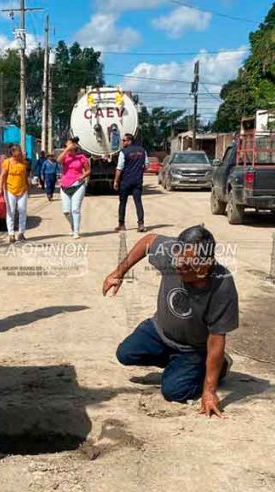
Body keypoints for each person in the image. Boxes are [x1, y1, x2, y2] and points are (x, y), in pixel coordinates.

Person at [102, 226, 238, 417]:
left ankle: (218, 366)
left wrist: (209, 391)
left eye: (186, 265)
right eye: (177, 262)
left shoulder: (222, 285)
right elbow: (148, 241)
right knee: (125, 354)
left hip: (192, 348)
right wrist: (119, 272)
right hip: (160, 331)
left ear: (206, 263)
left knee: (175, 391)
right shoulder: (174, 252)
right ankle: (180, 365)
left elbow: (216, 339)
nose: (178, 267)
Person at [113, 133, 148, 233]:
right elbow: (146, 165)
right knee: (138, 202)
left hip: (125, 181)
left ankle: (121, 225)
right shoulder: (142, 150)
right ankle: (141, 224)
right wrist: (138, 172)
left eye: (124, 140)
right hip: (137, 181)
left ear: (129, 141)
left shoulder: (123, 152)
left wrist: (116, 181)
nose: (122, 142)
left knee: (123, 203)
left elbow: (119, 168)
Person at [57, 137, 91, 238]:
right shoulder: (65, 157)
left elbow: (88, 170)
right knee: (66, 211)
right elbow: (58, 160)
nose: (70, 147)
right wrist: (67, 150)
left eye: (71, 145)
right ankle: (72, 226)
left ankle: (76, 231)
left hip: (78, 185)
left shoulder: (81, 157)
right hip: (64, 185)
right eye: (67, 145)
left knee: (75, 209)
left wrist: (82, 177)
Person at [0, 144, 29, 242]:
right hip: (10, 190)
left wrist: (28, 185)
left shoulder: (23, 161)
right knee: (11, 211)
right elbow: (2, 175)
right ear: (12, 153)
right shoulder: (7, 162)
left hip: (22, 189)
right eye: (17, 153)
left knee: (22, 211)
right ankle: (11, 234)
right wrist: (0, 188)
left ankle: (21, 233)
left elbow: (25, 175)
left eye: (20, 152)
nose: (19, 154)